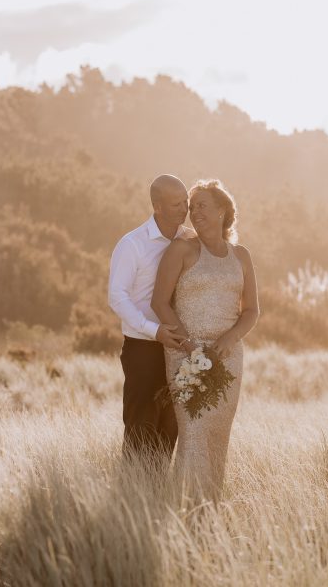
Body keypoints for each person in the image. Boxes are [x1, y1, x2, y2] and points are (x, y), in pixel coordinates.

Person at [151, 178, 260, 500]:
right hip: (187, 355)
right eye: (191, 206)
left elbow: (252, 311)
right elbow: (159, 302)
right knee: (194, 432)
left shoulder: (241, 256)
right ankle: (183, 506)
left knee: (217, 435)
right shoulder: (182, 249)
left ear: (223, 210)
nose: (193, 212)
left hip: (228, 357)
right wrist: (189, 346)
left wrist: (230, 339)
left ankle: (208, 510)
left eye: (202, 206)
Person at [108, 174, 196, 463]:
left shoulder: (190, 241)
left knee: (170, 429)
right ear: (157, 206)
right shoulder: (132, 244)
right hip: (143, 350)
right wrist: (152, 330)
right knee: (140, 430)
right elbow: (117, 297)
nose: (184, 209)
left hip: (178, 350)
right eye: (176, 204)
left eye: (186, 201)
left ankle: (156, 498)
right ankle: (132, 498)